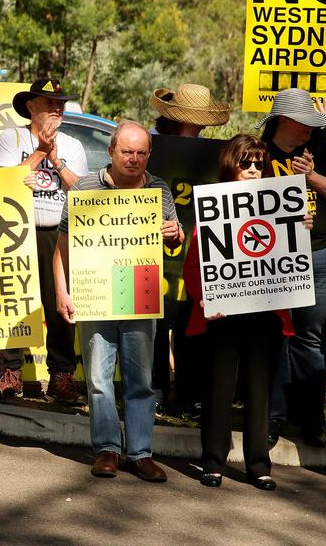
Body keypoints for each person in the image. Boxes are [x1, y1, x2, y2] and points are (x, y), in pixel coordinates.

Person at [55, 121, 182, 482]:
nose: (134, 159)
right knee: (97, 377)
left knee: (141, 380)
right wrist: (62, 291)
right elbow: (62, 248)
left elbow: (176, 240)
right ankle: (107, 450)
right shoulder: (84, 188)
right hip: (96, 292)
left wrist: (174, 232)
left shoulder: (159, 190)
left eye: (142, 152)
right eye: (127, 151)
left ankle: (140, 454)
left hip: (139, 292)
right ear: (111, 151)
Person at [182, 134, 297, 491]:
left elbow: (290, 256)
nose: (252, 169)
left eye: (258, 163)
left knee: (259, 388)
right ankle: (213, 462)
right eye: (245, 162)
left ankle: (259, 464)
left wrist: (300, 227)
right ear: (231, 164)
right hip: (223, 309)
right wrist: (204, 300)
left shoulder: (279, 203)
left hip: (264, 308)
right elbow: (195, 260)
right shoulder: (214, 202)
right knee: (218, 386)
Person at [257, 88, 326, 448]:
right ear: (284, 121)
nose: (311, 128)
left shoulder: (322, 150)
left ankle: (312, 420)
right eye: (305, 122)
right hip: (271, 258)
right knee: (275, 336)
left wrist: (311, 178)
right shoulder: (258, 153)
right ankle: (274, 416)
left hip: (321, 255)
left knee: (310, 339)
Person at [0, 78, 88, 403]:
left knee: (60, 302)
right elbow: (1, 182)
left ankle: (61, 376)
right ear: (31, 107)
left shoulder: (73, 145)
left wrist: (57, 161)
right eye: (49, 103)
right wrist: (38, 153)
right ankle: (11, 371)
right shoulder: (12, 136)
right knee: (13, 298)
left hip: (57, 232)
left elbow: (82, 191)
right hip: (16, 230)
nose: (57, 108)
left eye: (60, 103)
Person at [148, 83, 230, 417]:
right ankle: (153, 390)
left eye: (202, 120)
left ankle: (188, 394)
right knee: (153, 321)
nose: (198, 125)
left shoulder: (211, 153)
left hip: (195, 249)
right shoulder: (151, 144)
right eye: (193, 119)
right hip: (152, 247)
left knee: (189, 322)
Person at [149, 84, 230, 137]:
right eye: (198, 121)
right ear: (181, 120)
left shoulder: (202, 144)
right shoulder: (147, 142)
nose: (203, 127)